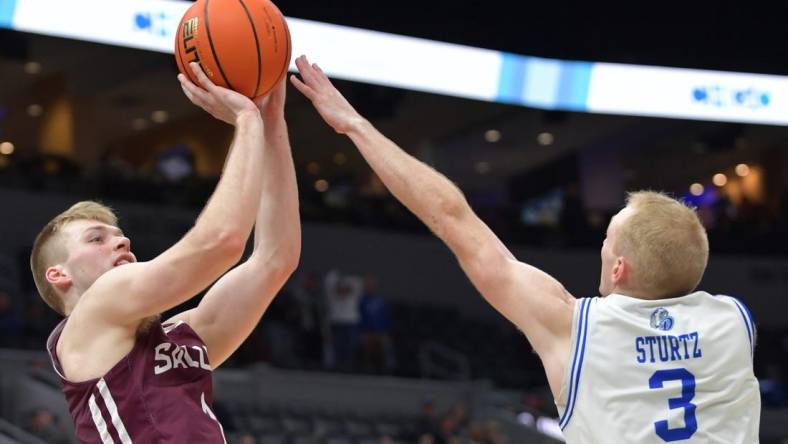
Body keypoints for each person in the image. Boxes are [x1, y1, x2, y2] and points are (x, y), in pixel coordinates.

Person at [290, 55, 760, 443]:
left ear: (619, 267)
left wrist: (355, 125)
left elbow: (454, 219)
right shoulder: (735, 323)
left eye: (607, 237)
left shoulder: (576, 329)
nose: (599, 246)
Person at [30, 62, 300, 443]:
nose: (121, 242)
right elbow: (223, 240)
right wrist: (246, 121)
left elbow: (276, 258)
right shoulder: (91, 314)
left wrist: (273, 125)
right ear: (59, 275)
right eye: (96, 239)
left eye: (119, 235)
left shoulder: (177, 342)